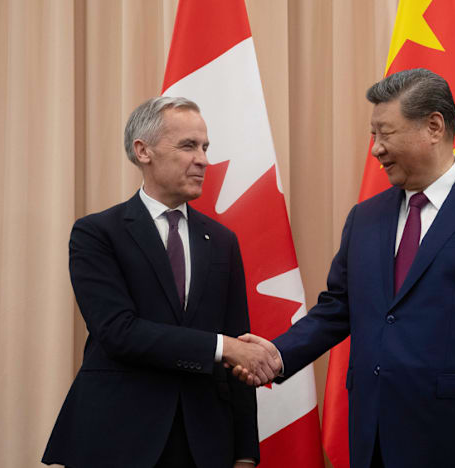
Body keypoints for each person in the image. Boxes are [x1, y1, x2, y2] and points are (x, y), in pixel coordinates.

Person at [234, 69, 455, 468]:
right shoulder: (365, 218)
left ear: (434, 127)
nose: (375, 149)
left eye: (385, 134)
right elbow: (338, 308)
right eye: (373, 135)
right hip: (375, 440)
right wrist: (278, 354)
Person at [42, 97, 279, 468]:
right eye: (188, 146)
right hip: (117, 436)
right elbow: (118, 331)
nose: (203, 160)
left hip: (204, 442)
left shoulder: (222, 241)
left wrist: (246, 453)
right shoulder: (97, 233)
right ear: (143, 151)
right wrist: (223, 347)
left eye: (205, 147)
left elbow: (239, 347)